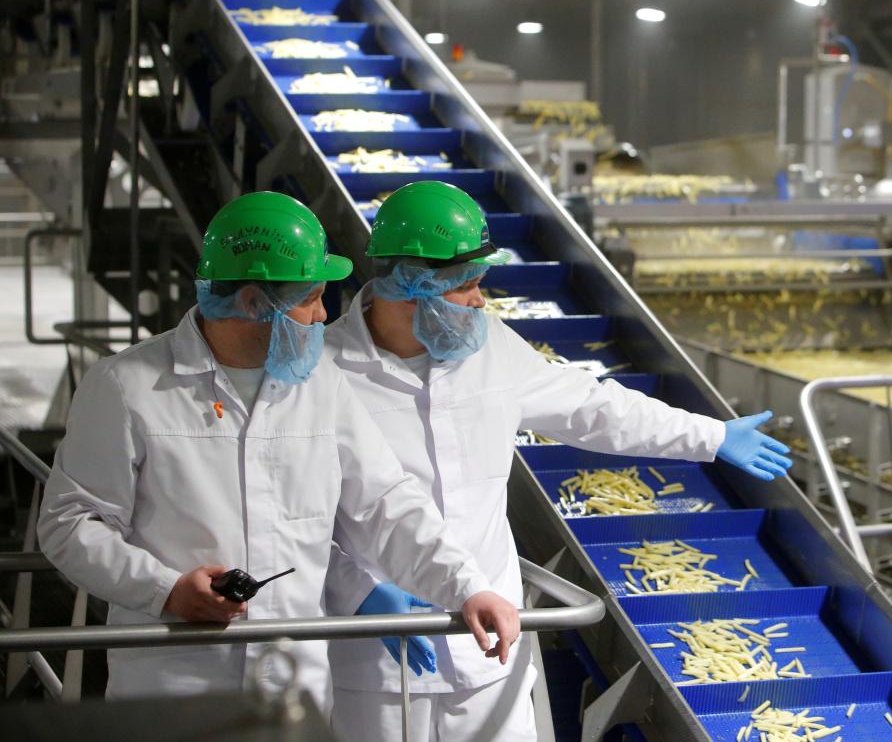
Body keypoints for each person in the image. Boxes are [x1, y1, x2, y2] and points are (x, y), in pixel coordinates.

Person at [324, 181, 793, 742]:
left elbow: (594, 407)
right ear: (410, 285)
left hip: (491, 649)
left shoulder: (488, 346)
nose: (480, 301)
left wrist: (709, 435)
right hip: (380, 658)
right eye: (466, 287)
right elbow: (289, 520)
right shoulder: (325, 373)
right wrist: (355, 592)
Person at [37, 191, 520, 708]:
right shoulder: (126, 388)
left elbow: (387, 504)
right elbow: (70, 524)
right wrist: (166, 590)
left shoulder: (320, 387)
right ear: (252, 301)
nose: (321, 316)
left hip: (295, 687)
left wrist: (467, 586)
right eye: (309, 297)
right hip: (173, 688)